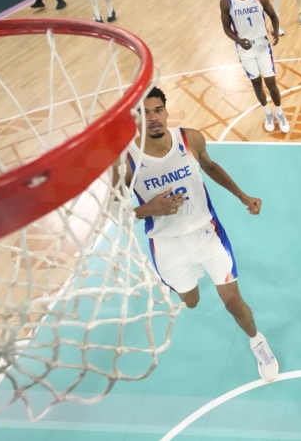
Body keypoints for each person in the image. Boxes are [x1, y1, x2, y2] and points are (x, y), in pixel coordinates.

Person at [118, 86, 280, 382]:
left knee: (232, 302)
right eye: (144, 113)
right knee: (190, 302)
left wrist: (242, 196)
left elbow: (210, 166)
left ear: (166, 112)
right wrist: (147, 208)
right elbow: (116, 210)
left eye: (158, 110)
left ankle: (257, 341)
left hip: (207, 234)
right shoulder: (126, 161)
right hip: (166, 244)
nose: (153, 117)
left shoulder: (189, 138)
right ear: (135, 119)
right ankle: (188, 279)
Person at [219, 0, 290, 134]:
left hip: (262, 45)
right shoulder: (226, 1)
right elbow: (225, 27)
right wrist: (237, 40)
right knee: (256, 83)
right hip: (244, 48)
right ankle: (268, 114)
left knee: (271, 84)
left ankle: (280, 113)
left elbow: (273, 16)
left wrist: (276, 31)